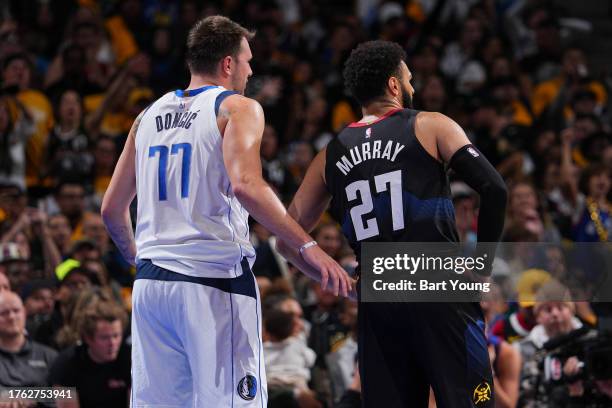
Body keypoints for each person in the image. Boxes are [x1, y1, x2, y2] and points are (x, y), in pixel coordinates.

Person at [101, 15, 352, 407]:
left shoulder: (145, 117)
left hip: (151, 287)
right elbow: (246, 186)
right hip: (212, 281)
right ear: (228, 63)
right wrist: (309, 249)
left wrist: (141, 259)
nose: (251, 71)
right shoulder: (237, 108)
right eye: (248, 60)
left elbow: (112, 210)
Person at [277, 40, 508, 407]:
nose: (413, 87)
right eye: (410, 79)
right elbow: (494, 188)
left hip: (378, 295)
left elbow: (286, 239)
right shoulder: (430, 124)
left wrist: (336, 278)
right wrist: (482, 267)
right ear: (394, 85)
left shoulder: (330, 153)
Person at [48, 299, 130, 408]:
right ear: (87, 338)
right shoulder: (66, 363)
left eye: (116, 336)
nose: (112, 343)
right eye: (104, 337)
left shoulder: (131, 358)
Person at [0, 290, 57, 387]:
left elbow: (67, 395)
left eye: (16, 311)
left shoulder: (49, 356)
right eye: (4, 313)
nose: (12, 317)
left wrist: (24, 396)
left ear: (24, 313)